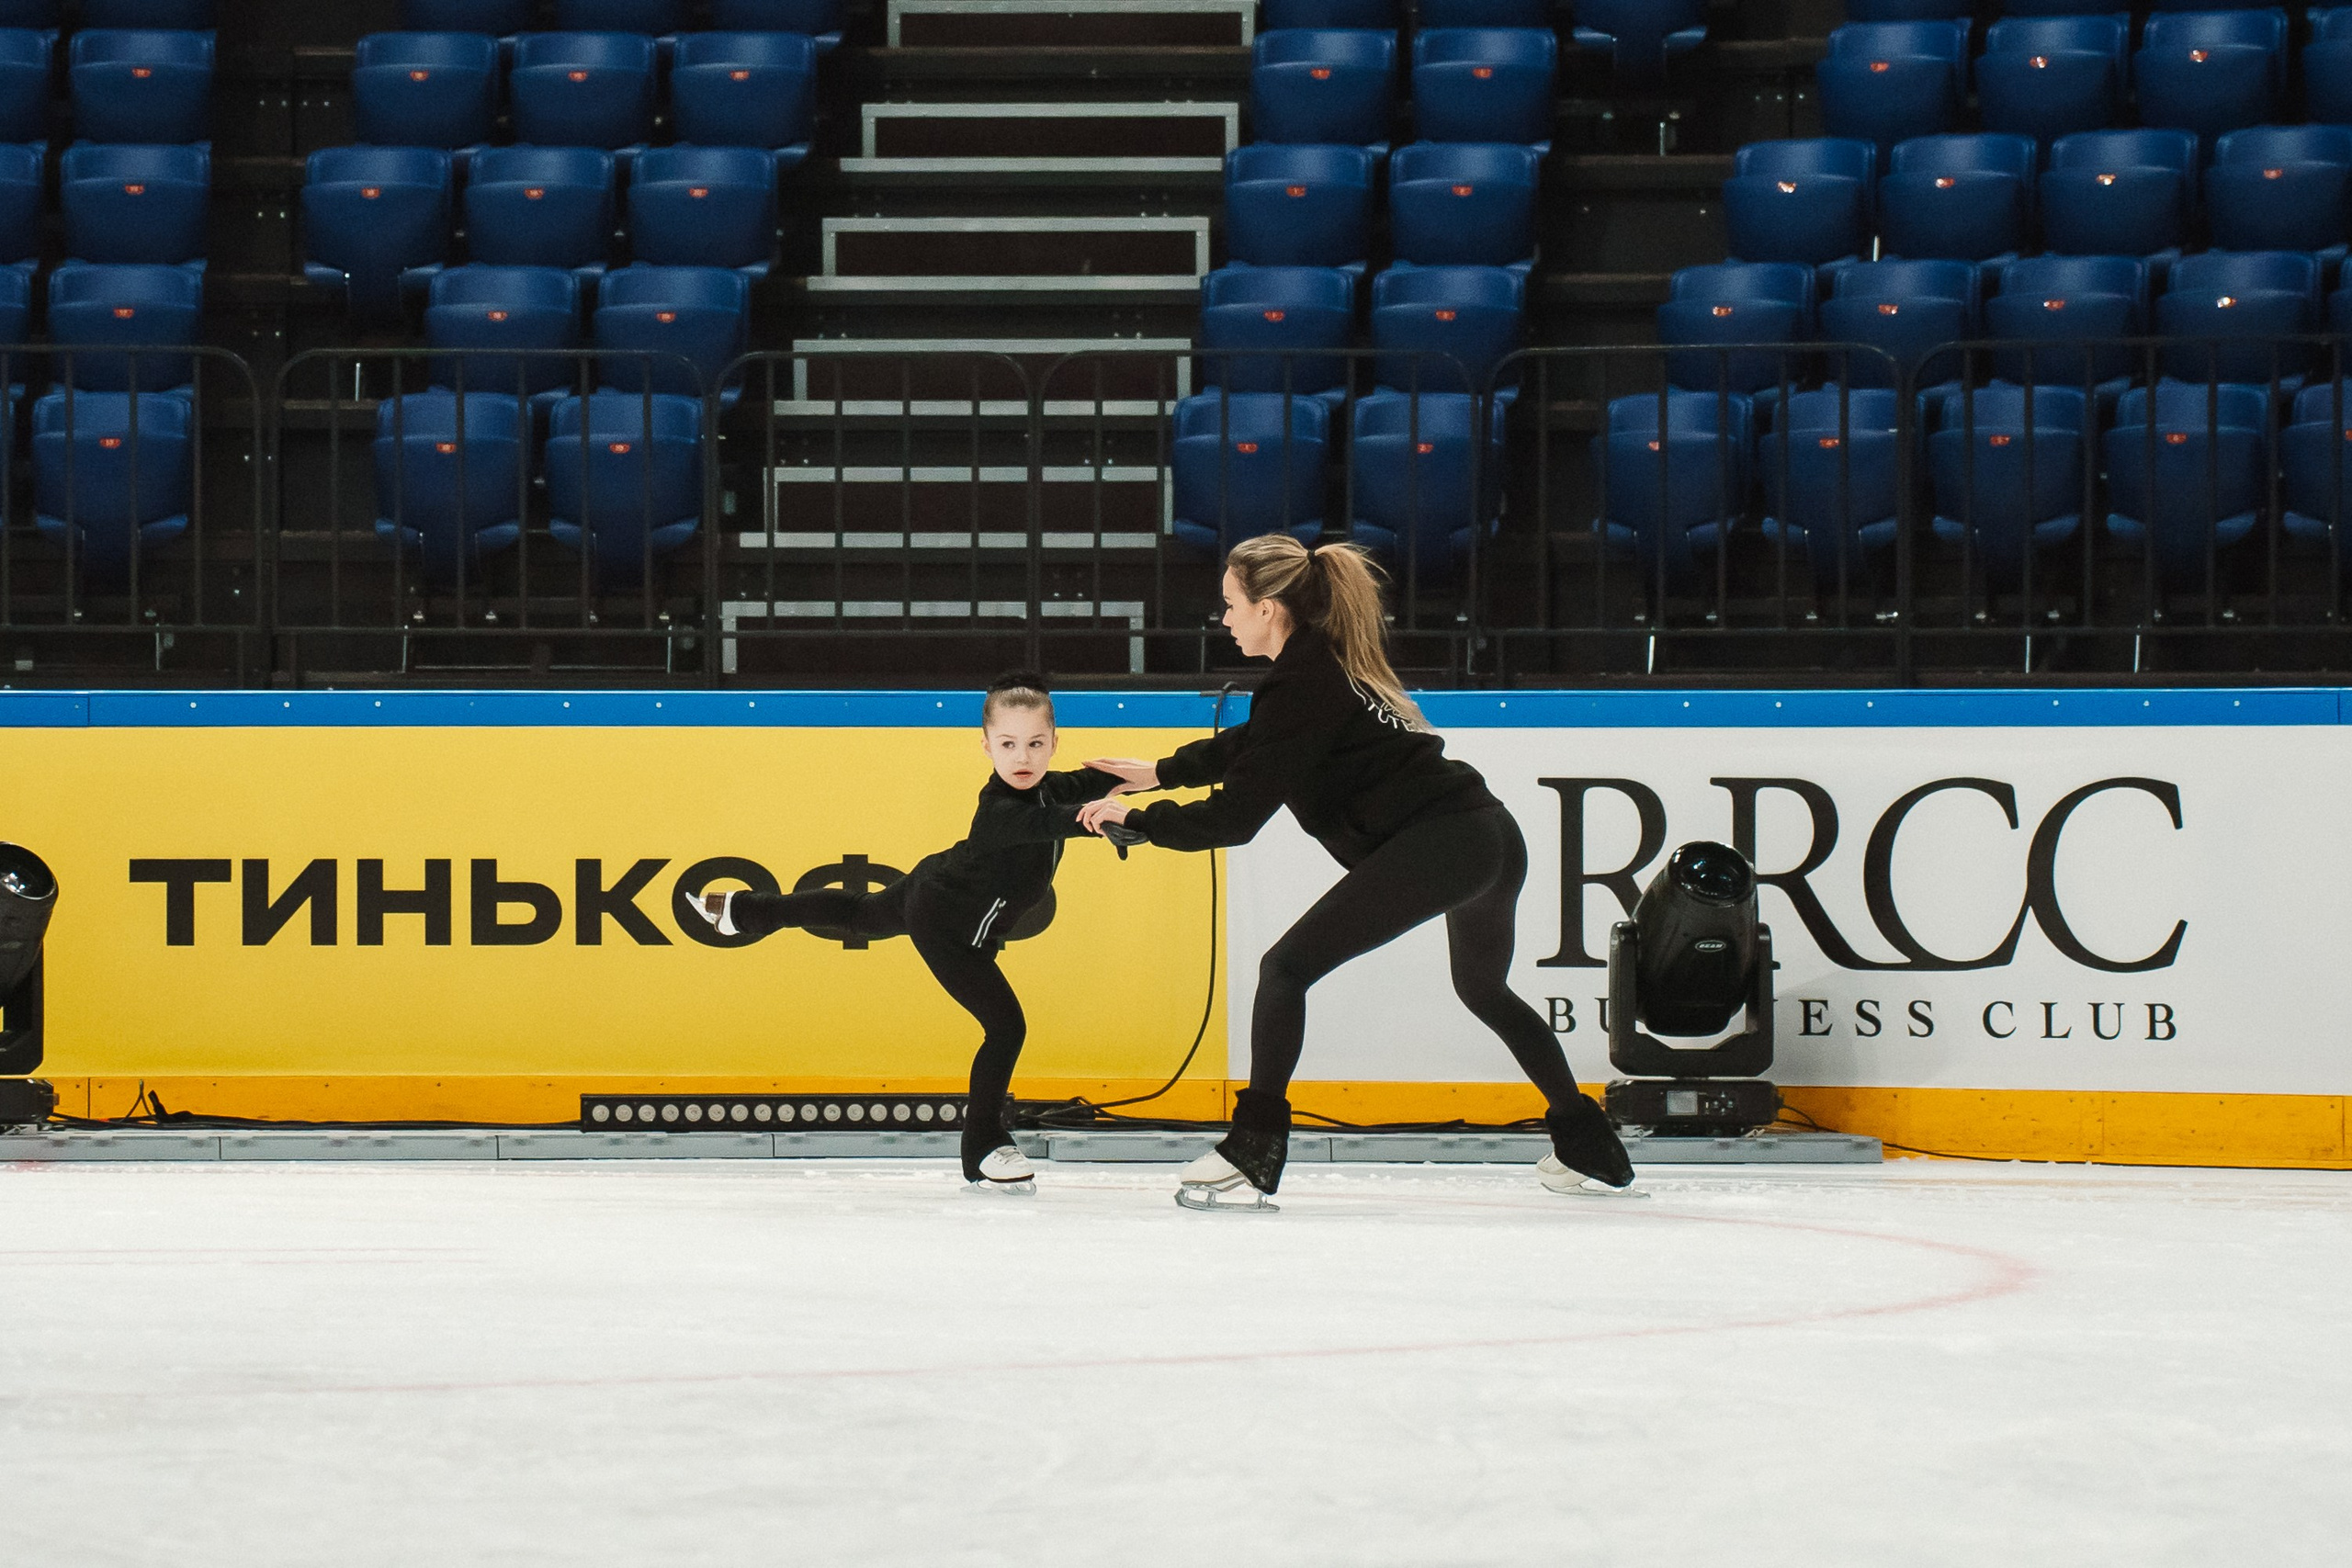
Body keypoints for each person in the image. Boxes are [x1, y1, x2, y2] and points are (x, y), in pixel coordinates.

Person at [1077, 537, 1636, 1212]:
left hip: (1445, 842)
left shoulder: (1303, 679)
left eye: (1230, 605)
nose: (1223, 619)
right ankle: (1589, 1145)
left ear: (1268, 608)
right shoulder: (1326, 662)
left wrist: (1141, 822)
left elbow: (1236, 818)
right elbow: (1258, 742)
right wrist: (1161, 772)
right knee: (1484, 989)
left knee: (1285, 969)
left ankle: (1252, 1148)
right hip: (1488, 834)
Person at [683, 673, 1133, 1191]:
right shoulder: (1000, 811)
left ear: (1055, 743)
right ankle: (983, 1146)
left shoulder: (1048, 788)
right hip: (946, 926)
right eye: (1008, 744)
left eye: (1035, 743)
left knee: (859, 913)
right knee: (1006, 1028)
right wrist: (1108, 818)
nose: (1022, 757)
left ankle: (741, 910)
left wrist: (1164, 776)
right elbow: (1064, 820)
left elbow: (1099, 783)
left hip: (935, 882)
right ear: (986, 745)